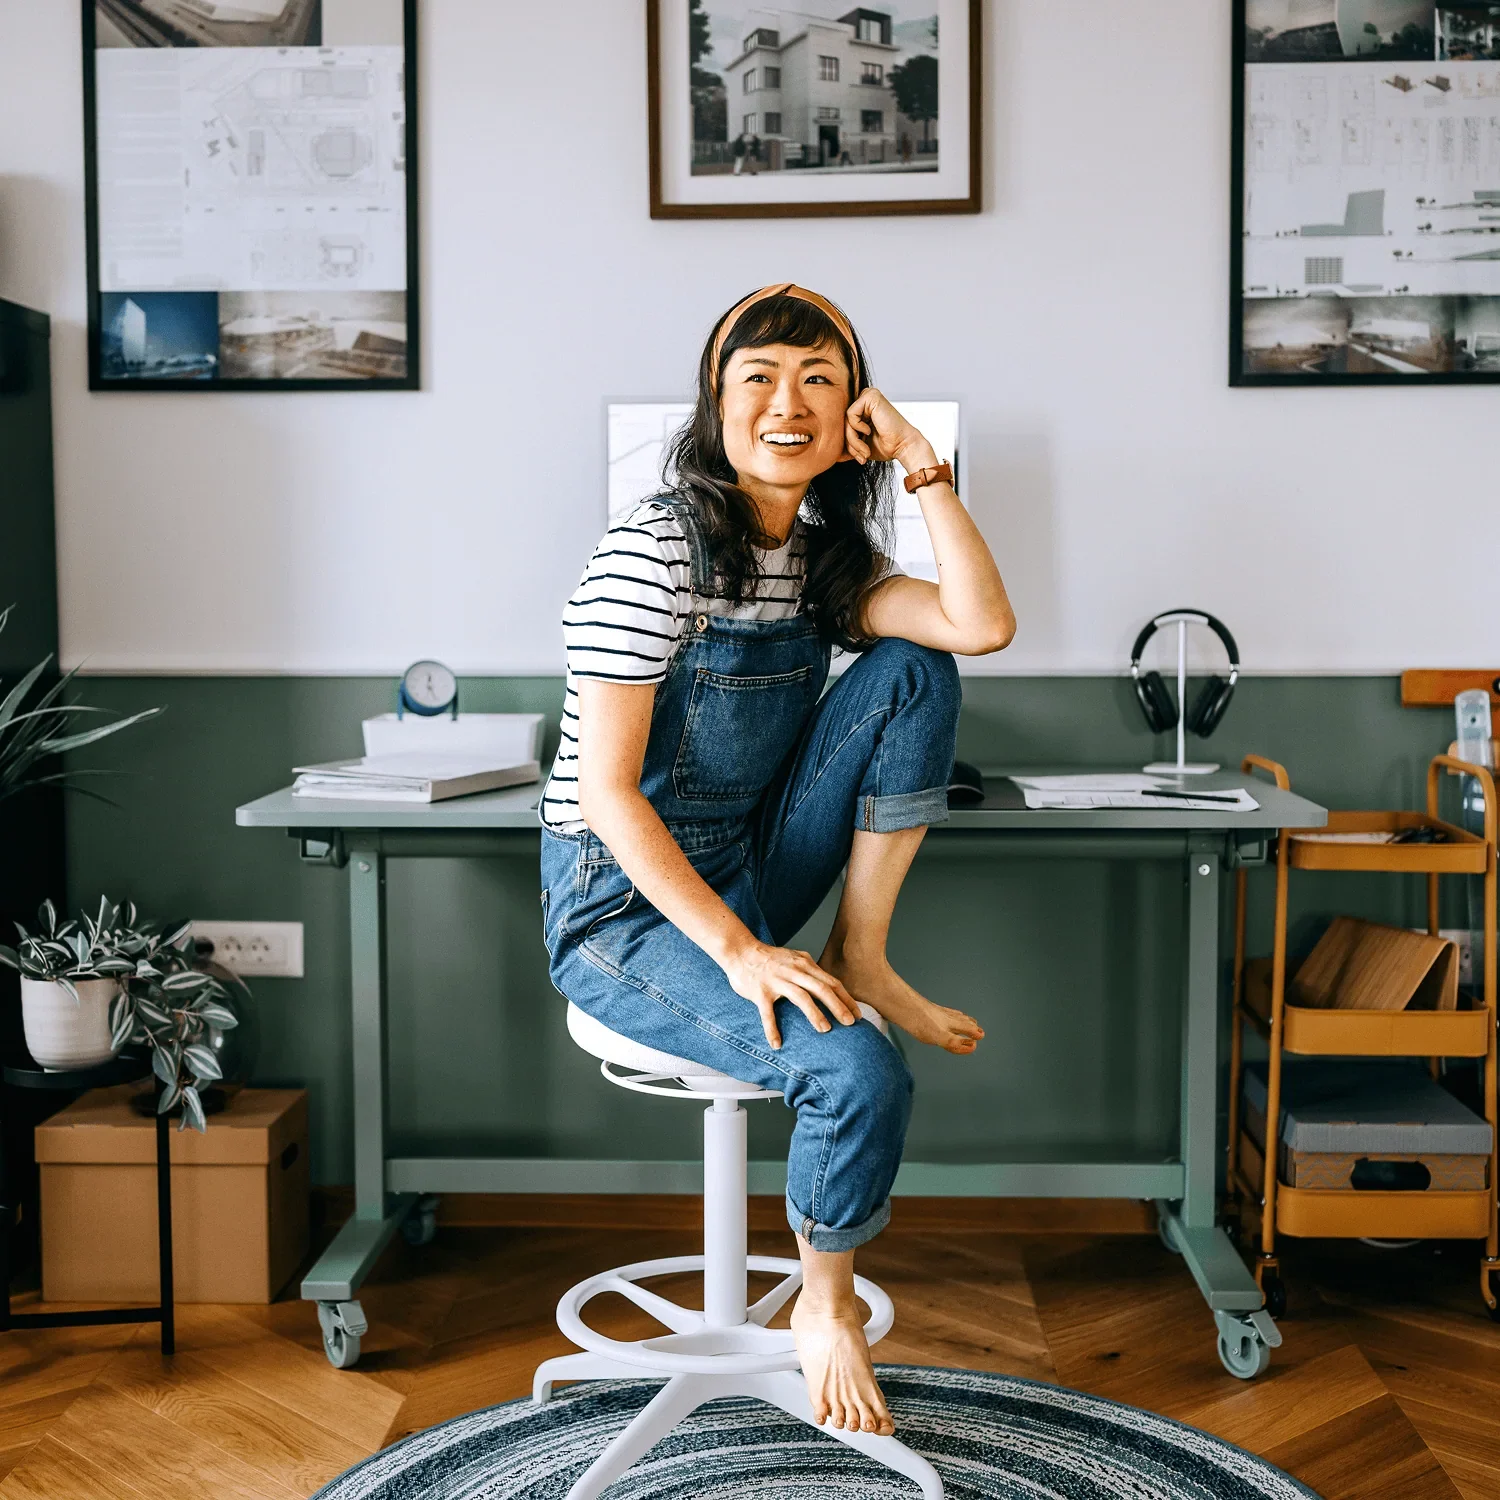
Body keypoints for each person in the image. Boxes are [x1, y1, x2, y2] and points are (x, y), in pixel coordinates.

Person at [540, 285, 1014, 1438]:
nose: (788, 403)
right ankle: (826, 1304)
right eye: (759, 376)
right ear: (717, 402)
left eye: (821, 380)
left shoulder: (820, 556)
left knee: (916, 671)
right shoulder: (651, 550)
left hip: (750, 864)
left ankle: (863, 947)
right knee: (857, 1070)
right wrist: (742, 950)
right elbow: (606, 795)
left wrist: (923, 465)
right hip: (625, 910)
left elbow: (978, 625)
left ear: (855, 411)